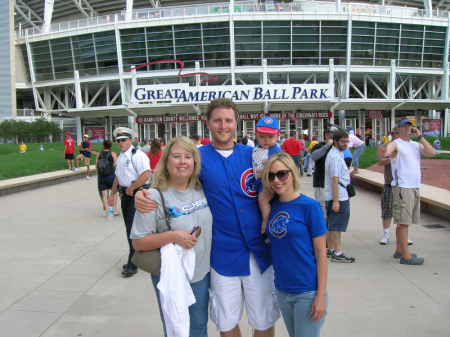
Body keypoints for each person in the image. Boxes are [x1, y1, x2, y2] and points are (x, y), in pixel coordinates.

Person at [135, 98, 279, 337]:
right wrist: (144, 192)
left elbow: (284, 184)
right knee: (227, 321)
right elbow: (174, 179)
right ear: (208, 123)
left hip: (259, 252)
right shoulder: (198, 158)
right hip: (222, 255)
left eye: (228, 120)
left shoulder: (256, 155)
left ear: (236, 123)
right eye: (217, 120)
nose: (223, 125)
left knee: (263, 320)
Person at [131, 136, 213, 337]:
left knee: (199, 328)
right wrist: (173, 236)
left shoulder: (201, 187)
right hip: (172, 275)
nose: (183, 162)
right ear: (166, 162)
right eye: (176, 156)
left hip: (200, 274)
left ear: (195, 162)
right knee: (176, 329)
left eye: (188, 156)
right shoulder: (153, 196)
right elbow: (138, 242)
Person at [262, 152, 328, 337]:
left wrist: (320, 296)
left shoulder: (309, 206)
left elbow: (321, 253)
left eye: (282, 174)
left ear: (292, 173)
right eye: (271, 176)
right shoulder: (271, 205)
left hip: (307, 291)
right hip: (282, 290)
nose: (276, 180)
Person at [377, 118, 435, 265]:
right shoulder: (396, 143)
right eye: (405, 126)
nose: (408, 128)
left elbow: (431, 153)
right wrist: (384, 152)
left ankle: (399, 250)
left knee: (404, 221)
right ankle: (406, 256)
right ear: (399, 130)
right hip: (403, 186)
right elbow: (388, 151)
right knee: (403, 221)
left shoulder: (416, 145)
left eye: (410, 126)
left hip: (414, 185)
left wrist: (420, 136)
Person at [108, 127, 151, 277]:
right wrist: (111, 194)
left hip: (136, 194)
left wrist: (132, 188)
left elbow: (146, 174)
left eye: (123, 140)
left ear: (130, 140)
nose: (120, 143)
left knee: (133, 230)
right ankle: (133, 259)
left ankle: (133, 264)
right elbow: (118, 177)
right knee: (129, 229)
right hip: (125, 195)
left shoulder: (137, 155)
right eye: (118, 140)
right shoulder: (120, 157)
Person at [377, 127, 414, 246]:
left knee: (403, 211)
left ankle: (403, 236)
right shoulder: (387, 146)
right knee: (387, 208)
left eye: (399, 132)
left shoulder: (409, 146)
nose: (397, 135)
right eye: (395, 133)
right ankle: (385, 233)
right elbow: (380, 162)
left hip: (404, 184)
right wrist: (393, 158)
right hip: (390, 182)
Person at [325, 129, 355, 263]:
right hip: (338, 196)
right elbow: (334, 179)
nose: (345, 144)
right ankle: (337, 253)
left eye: (347, 141)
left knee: (332, 224)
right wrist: (336, 201)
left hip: (335, 195)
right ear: (335, 141)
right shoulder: (336, 157)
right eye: (343, 141)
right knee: (337, 225)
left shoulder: (336, 154)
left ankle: (331, 249)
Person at [252, 116, 283, 234]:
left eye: (271, 137)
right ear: (256, 135)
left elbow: (285, 166)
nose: (266, 140)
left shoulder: (276, 151)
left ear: (278, 136)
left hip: (270, 183)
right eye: (262, 137)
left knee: (263, 200)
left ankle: (265, 222)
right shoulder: (256, 148)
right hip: (258, 182)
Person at [310, 127, 337, 220]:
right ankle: (322, 228)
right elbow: (313, 156)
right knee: (322, 206)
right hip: (321, 182)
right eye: (331, 136)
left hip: (334, 182)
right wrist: (326, 146)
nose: (333, 138)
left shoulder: (337, 148)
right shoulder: (319, 146)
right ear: (326, 135)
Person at [95, 140, 119, 218]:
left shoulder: (99, 154)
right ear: (111, 146)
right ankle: (114, 209)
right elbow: (116, 165)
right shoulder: (113, 153)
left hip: (102, 176)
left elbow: (96, 166)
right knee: (114, 193)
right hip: (111, 176)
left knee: (104, 195)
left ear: (103, 145)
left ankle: (107, 212)